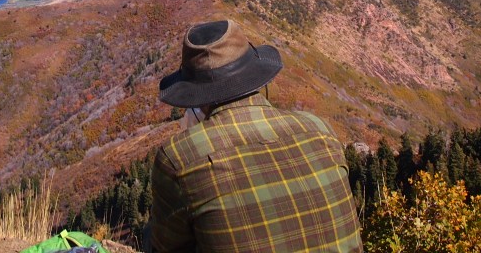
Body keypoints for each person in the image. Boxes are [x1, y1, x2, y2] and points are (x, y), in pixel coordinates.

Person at [149, 19, 362, 252]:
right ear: (257, 75)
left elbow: (164, 247)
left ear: (195, 101)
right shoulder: (321, 130)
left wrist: (190, 139)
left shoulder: (179, 157)